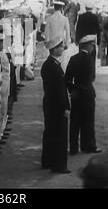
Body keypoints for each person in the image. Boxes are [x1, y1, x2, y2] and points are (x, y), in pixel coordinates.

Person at [65, 35, 102, 155]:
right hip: (88, 94)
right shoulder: (90, 60)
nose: (93, 48)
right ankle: (88, 146)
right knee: (88, 121)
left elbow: (67, 79)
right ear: (89, 46)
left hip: (76, 94)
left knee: (75, 122)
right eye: (92, 46)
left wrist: (72, 90)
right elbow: (92, 78)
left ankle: (74, 147)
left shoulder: (73, 59)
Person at [40, 37, 71, 174]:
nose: (62, 49)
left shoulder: (48, 65)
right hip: (56, 105)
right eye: (60, 47)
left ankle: (47, 160)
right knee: (59, 135)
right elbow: (59, 90)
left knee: (50, 133)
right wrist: (66, 106)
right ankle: (59, 164)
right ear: (54, 49)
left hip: (49, 103)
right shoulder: (54, 67)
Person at [75, 1, 101, 75]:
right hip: (91, 41)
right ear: (92, 9)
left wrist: (77, 40)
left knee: (81, 58)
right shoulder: (95, 17)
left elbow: (78, 29)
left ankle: (82, 73)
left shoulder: (81, 17)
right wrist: (98, 41)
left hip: (82, 40)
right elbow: (98, 30)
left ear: (86, 8)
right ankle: (91, 74)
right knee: (92, 59)